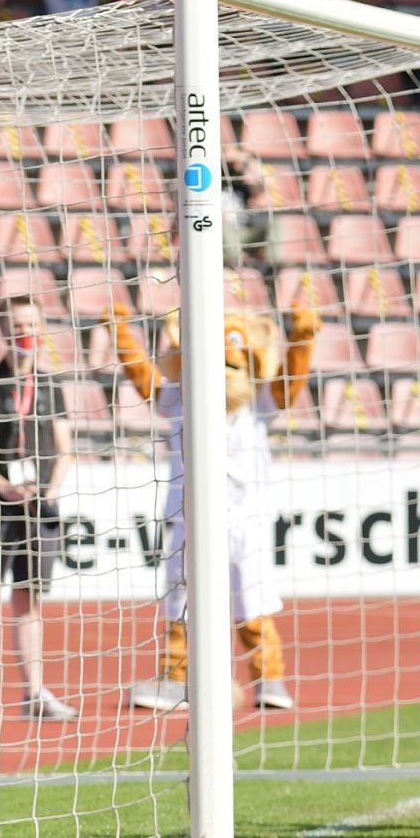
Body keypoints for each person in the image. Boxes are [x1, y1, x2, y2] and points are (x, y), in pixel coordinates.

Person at [107, 299, 318, 712]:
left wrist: (302, 337)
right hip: (189, 519)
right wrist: (122, 335)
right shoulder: (181, 396)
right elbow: (144, 380)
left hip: (244, 521)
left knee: (249, 600)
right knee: (180, 597)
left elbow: (290, 381)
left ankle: (268, 679)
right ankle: (177, 678)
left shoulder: (257, 402)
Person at [0, 298, 76, 725]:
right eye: (18, 324)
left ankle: (35, 692)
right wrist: (2, 486)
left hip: (39, 508)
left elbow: (64, 446)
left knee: (29, 598)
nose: (26, 331)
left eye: (32, 323)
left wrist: (50, 490)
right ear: (4, 331)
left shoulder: (49, 384)